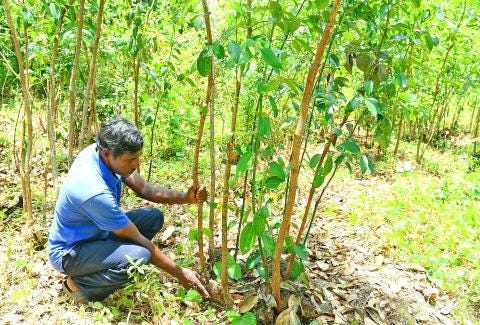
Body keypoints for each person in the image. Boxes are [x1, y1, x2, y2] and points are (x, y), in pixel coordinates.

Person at [47, 116, 209, 303]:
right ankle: (79, 285)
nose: (136, 164)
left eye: (138, 157)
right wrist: (180, 273)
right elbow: (138, 239)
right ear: (107, 153)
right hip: (71, 252)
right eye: (131, 159)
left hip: (98, 233)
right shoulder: (94, 191)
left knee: (153, 218)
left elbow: (144, 189)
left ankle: (107, 263)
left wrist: (186, 198)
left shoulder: (99, 152)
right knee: (140, 256)